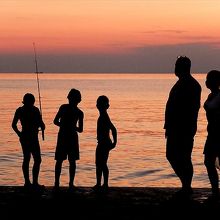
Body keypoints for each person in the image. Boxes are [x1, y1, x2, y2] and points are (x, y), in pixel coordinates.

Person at [164, 56, 201, 196]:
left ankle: (186, 185)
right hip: (174, 127)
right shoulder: (180, 83)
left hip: (184, 128)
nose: (174, 68)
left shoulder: (192, 85)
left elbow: (192, 109)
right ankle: (185, 184)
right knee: (172, 155)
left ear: (183, 68)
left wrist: (185, 126)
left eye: (177, 66)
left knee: (184, 156)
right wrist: (167, 126)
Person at [12, 93, 45, 190]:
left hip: (25, 136)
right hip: (31, 137)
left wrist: (19, 133)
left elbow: (14, 125)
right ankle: (32, 183)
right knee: (36, 159)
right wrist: (42, 126)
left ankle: (29, 182)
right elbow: (42, 124)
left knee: (28, 158)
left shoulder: (20, 110)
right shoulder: (35, 110)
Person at [54, 88, 84, 191]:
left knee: (62, 161)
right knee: (68, 161)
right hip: (69, 137)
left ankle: (59, 183)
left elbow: (55, 121)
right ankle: (67, 183)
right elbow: (80, 129)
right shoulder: (79, 112)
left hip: (64, 135)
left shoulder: (64, 108)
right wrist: (70, 126)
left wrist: (66, 125)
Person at [93, 95, 117, 191]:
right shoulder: (103, 116)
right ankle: (99, 183)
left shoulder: (104, 116)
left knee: (102, 163)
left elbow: (113, 129)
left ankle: (104, 184)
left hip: (104, 143)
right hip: (102, 143)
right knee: (99, 163)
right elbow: (113, 129)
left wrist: (115, 142)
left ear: (106, 106)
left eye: (101, 104)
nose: (98, 106)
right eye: (98, 104)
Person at [203, 70, 220, 199]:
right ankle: (215, 189)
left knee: (211, 161)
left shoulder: (219, 96)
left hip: (218, 135)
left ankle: (216, 190)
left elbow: (212, 108)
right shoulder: (211, 95)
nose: (206, 81)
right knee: (208, 162)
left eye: (209, 79)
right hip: (212, 134)